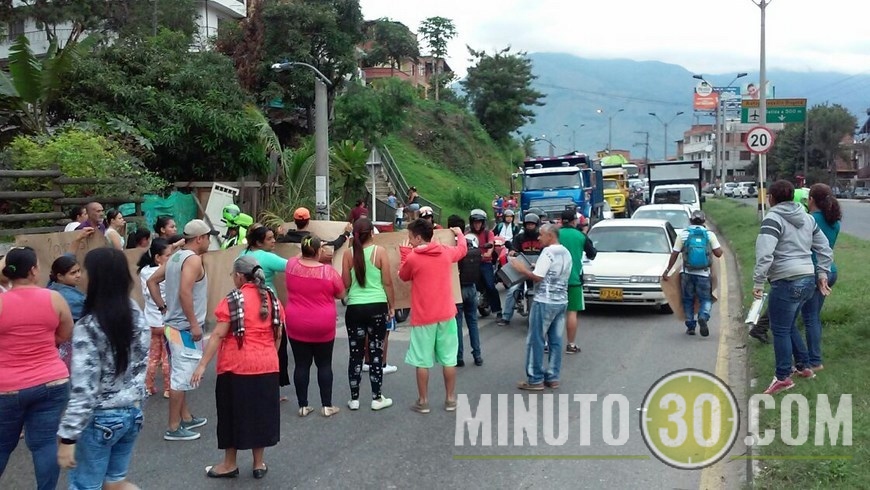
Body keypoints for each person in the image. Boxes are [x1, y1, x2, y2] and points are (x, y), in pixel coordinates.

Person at [57, 247, 150, 490]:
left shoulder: (88, 326)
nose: (82, 276)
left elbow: (84, 388)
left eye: (85, 271)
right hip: (132, 411)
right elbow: (141, 364)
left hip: (99, 418)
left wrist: (68, 436)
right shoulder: (135, 313)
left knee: (85, 486)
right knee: (115, 483)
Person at [191, 255, 284, 480]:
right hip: (267, 365)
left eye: (233, 274)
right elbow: (278, 334)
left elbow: (218, 335)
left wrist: (202, 365)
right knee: (260, 414)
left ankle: (229, 464)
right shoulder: (272, 298)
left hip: (236, 366)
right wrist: (268, 354)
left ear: (240, 276)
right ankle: (258, 463)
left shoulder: (233, 299)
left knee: (231, 414)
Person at [0, 247, 74, 490]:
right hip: (52, 381)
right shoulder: (54, 298)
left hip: (7, 387)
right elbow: (65, 333)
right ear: (33, 270)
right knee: (45, 444)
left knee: (2, 445)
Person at [753, 180, 833, 395]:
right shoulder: (807, 218)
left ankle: (782, 377)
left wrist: (758, 281)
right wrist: (822, 273)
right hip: (808, 279)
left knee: (779, 329)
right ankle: (804, 366)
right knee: (788, 325)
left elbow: (765, 253)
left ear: (771, 198)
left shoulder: (773, 218)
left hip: (786, 280)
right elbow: (824, 248)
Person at [147, 219, 219, 441]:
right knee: (180, 377)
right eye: (208, 237)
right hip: (184, 328)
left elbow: (152, 281)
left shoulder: (176, 256)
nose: (209, 242)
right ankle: (173, 426)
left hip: (174, 325)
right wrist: (194, 324)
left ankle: (185, 416)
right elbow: (184, 292)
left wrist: (163, 308)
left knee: (183, 373)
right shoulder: (193, 260)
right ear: (199, 238)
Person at [399, 219, 467, 414]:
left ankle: (423, 401)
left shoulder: (413, 257)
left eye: (410, 237)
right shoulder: (444, 251)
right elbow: (462, 250)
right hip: (446, 313)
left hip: (424, 316)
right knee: (449, 359)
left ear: (418, 238)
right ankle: (450, 399)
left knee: (422, 360)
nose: (409, 240)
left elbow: (403, 275)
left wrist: (404, 253)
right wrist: (459, 234)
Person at [285, 236, 346, 417]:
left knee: (301, 365)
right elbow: (341, 293)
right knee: (324, 364)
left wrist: (309, 250)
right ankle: (326, 405)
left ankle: (303, 406)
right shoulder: (328, 272)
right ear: (319, 251)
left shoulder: (291, 266)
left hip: (296, 322)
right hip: (323, 324)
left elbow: (298, 257)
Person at [341, 218, 396, 411]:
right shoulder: (379, 252)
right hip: (377, 307)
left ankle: (354, 399)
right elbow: (387, 282)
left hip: (355, 307)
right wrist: (392, 305)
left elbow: (346, 283)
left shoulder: (348, 254)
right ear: (372, 233)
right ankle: (376, 397)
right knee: (375, 352)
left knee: (355, 354)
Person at [511, 224, 572, 390]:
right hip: (561, 301)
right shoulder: (565, 252)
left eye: (541, 235)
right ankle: (553, 377)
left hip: (544, 301)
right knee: (556, 341)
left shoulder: (547, 252)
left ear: (550, 236)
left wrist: (522, 269)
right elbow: (553, 272)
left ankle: (535, 378)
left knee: (535, 340)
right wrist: (535, 267)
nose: (538, 238)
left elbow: (538, 277)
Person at [239, 226, 291, 398]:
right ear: (259, 242)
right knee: (275, 347)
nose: (273, 241)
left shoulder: (242, 255)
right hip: (269, 307)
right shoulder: (267, 257)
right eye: (269, 238)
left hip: (246, 306)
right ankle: (271, 389)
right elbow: (291, 266)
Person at [796, 183, 841, 373]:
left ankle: (814, 360)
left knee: (809, 317)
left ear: (811, 200)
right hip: (830, 271)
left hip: (813, 272)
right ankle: (813, 358)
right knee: (814, 316)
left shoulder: (809, 220)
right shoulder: (834, 221)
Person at [662, 210, 723, 337]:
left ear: (690, 220)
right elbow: (719, 253)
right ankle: (703, 316)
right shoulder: (709, 235)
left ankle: (690, 326)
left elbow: (674, 254)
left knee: (687, 299)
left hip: (686, 273)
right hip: (704, 274)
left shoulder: (683, 234)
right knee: (705, 298)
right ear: (704, 221)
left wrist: (667, 270)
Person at [138, 238, 173, 398]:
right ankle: (168, 388)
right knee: (167, 357)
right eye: (168, 256)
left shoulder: (144, 271)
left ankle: (148, 386)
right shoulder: (165, 274)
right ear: (158, 257)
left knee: (152, 356)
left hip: (150, 322)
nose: (170, 259)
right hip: (165, 322)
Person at [558, 209, 595, 354]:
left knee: (552, 313)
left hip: (554, 280)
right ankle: (571, 345)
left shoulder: (555, 234)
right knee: (571, 312)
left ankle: (548, 343)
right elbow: (592, 254)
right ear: (574, 221)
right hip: (573, 279)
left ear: (561, 221)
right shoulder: (580, 236)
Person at [448, 215, 483, 367]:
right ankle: (477, 355)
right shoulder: (472, 242)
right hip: (472, 287)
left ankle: (459, 357)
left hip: (457, 288)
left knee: (457, 324)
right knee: (473, 322)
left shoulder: (450, 245)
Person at [498, 213, 544, 326]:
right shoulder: (519, 237)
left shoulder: (542, 237)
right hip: (521, 268)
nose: (530, 226)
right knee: (512, 290)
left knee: (544, 291)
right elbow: (514, 249)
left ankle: (544, 315)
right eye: (528, 224)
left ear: (537, 225)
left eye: (532, 224)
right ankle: (506, 317)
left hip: (538, 269)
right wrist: (512, 251)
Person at [468, 209, 502, 316]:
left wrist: (488, 253)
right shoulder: (468, 235)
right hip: (472, 264)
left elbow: (490, 246)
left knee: (490, 286)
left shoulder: (488, 233)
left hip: (485, 263)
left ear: (483, 223)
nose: (477, 224)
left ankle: (498, 311)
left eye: (479, 222)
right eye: (475, 222)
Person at [277, 207, 352, 252]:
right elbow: (334, 245)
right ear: (308, 221)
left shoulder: (286, 238)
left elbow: (279, 243)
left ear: (294, 221)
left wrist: (280, 235)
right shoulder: (312, 240)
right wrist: (346, 233)